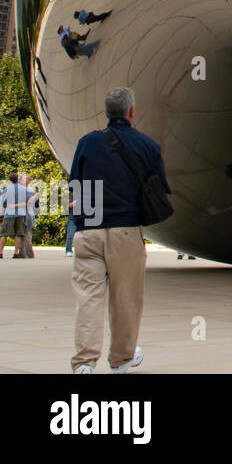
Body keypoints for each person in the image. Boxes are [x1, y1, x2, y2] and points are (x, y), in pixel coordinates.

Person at [68, 87, 170, 373]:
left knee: (88, 298)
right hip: (126, 231)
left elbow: (74, 184)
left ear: (106, 112)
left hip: (90, 230)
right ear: (132, 111)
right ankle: (121, 359)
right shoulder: (147, 146)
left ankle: (84, 363)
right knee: (126, 299)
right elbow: (160, 187)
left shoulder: (87, 143)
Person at [1, 173, 35, 259]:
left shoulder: (6, 189)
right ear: (17, 179)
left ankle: (0, 252)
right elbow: (29, 200)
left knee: (4, 234)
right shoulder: (24, 189)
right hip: (21, 214)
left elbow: (2, 202)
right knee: (18, 234)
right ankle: (16, 252)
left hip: (9, 213)